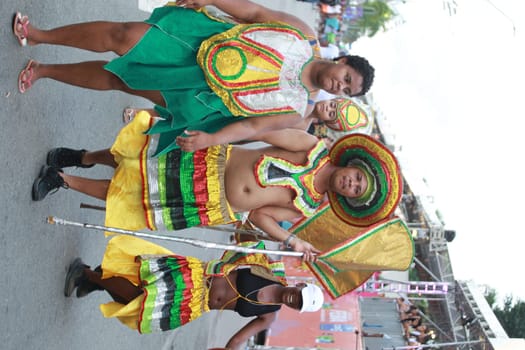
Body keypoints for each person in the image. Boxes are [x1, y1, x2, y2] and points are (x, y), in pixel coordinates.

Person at [13, 0, 374, 155]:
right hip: (198, 38)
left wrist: (211, 140)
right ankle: (41, 34)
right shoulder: (303, 34)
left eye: (346, 90)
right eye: (345, 77)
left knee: (121, 81)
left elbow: (250, 128)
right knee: (123, 36)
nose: (338, 85)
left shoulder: (298, 110)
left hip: (200, 92)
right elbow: (254, 11)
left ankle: (43, 72)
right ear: (341, 60)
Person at [32, 110, 402, 259]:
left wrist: (293, 240)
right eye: (357, 178)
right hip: (210, 159)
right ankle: (82, 156)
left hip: (210, 203)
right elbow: (261, 130)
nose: (351, 184)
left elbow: (259, 216)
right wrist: (211, 135)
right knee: (135, 159)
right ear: (353, 166)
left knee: (135, 199)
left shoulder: (308, 206)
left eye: (355, 190)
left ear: (350, 198)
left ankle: (62, 180)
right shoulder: (313, 148)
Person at [64, 235, 324, 349]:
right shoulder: (275, 268)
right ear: (300, 285)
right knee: (140, 293)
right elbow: (252, 243)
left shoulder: (269, 315)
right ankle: (88, 274)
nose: (294, 299)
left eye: (298, 304)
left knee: (142, 313)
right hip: (198, 277)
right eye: (299, 295)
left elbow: (236, 342)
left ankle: (98, 281)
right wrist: (233, 253)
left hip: (196, 304)